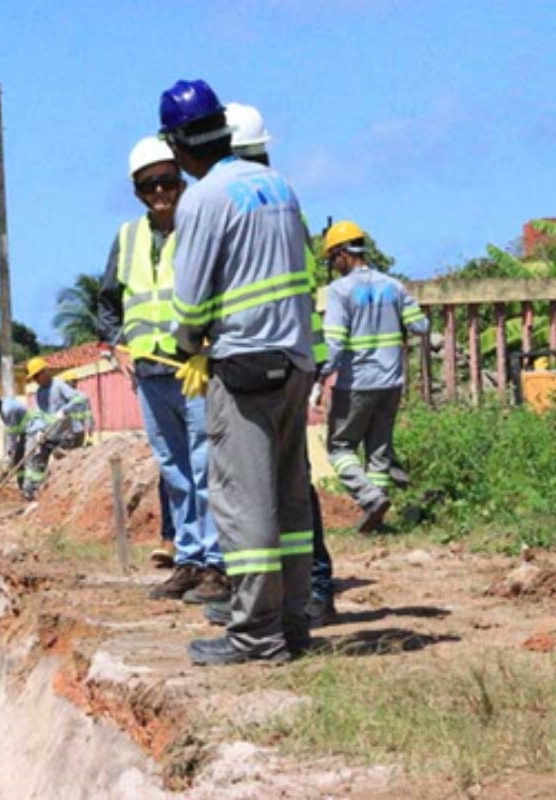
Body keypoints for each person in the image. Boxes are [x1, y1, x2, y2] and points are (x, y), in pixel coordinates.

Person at [161, 78, 317, 666]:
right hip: (295, 360)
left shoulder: (204, 199)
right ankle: (294, 623)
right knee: (291, 502)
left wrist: (188, 345)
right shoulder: (280, 186)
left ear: (176, 144)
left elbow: (191, 302)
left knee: (244, 504)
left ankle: (255, 635)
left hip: (244, 366)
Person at [97, 136, 227, 605]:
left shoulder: (199, 226)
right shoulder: (128, 237)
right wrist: (118, 345)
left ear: (181, 181)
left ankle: (216, 562)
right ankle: (188, 559)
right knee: (174, 469)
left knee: (205, 464)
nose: (159, 192)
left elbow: (221, 290)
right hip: (150, 372)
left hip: (193, 368)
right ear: (136, 191)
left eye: (167, 182)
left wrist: (210, 347)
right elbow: (109, 301)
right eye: (149, 185)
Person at [226, 100, 337, 626]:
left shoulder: (254, 210)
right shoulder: (284, 203)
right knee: (285, 486)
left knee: (283, 488)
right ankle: (293, 594)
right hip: (294, 356)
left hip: (272, 359)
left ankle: (306, 591)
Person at [316, 220, 429, 533]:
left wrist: (320, 375)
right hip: (391, 383)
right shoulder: (394, 286)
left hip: (356, 383)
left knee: (340, 447)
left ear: (342, 254)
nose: (332, 266)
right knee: (378, 451)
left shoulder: (339, 291)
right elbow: (421, 326)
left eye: (332, 259)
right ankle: (378, 519)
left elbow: (334, 343)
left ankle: (369, 498)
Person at [24, 357, 92, 500]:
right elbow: (39, 413)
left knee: (64, 465)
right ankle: (32, 491)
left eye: (37, 376)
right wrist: (39, 429)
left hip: (65, 437)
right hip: (48, 435)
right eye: (34, 377)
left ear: (45, 372)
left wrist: (65, 410)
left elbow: (82, 398)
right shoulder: (39, 392)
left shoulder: (59, 386)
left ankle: (69, 494)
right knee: (37, 460)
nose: (36, 380)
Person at [0, 383, 36, 495]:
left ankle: (30, 489)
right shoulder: (1, 407)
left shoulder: (8, 409)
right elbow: (12, 432)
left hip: (32, 429)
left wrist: (10, 451)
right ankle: (22, 487)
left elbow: (13, 434)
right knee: (17, 459)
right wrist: (10, 453)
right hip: (24, 431)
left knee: (28, 458)